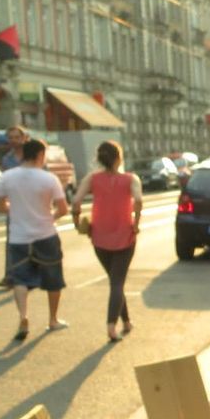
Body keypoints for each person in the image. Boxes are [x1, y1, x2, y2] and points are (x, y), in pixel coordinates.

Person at [0, 138, 70, 339]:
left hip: (18, 237)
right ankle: (53, 319)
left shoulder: (7, 177)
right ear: (39, 155)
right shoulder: (49, 179)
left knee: (20, 278)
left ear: (22, 155)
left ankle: (23, 316)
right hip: (46, 234)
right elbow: (63, 209)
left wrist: (15, 211)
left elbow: (0, 206)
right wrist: (49, 218)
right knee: (53, 278)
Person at [71, 140, 142, 342]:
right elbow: (138, 200)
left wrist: (77, 223)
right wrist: (136, 222)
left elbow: (76, 201)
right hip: (125, 237)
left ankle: (126, 322)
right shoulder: (131, 179)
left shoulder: (92, 178)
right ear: (119, 158)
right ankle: (111, 326)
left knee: (114, 280)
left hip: (99, 238)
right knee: (117, 282)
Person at [0, 125, 29, 288]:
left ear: (24, 138)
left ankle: (39, 272)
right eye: (11, 138)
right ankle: (10, 276)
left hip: (32, 203)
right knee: (12, 241)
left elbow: (45, 175)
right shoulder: (6, 159)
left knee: (36, 240)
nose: (14, 140)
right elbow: (4, 181)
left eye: (17, 137)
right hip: (14, 205)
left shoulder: (33, 155)